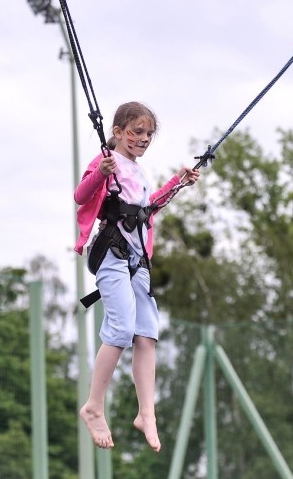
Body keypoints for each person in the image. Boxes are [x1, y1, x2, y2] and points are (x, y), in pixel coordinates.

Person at [74, 101, 200, 452]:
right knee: (121, 327)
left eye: (148, 134)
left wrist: (178, 182)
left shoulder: (138, 172)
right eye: (136, 132)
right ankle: (94, 406)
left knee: (146, 333)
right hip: (113, 255)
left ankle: (148, 413)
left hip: (137, 260)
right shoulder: (108, 163)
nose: (143, 139)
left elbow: (147, 208)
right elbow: (80, 196)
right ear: (117, 132)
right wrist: (101, 171)